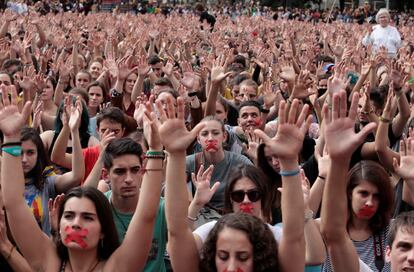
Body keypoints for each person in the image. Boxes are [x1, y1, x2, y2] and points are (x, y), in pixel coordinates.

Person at [0, 86, 164, 271]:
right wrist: (11, 139)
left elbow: (146, 216)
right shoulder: (49, 262)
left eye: (88, 217)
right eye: (68, 216)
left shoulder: (117, 268)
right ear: (59, 226)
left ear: (103, 230)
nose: (76, 223)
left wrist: (156, 149)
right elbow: (14, 203)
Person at [164, 95, 311, 271]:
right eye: (223, 256)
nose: (232, 268)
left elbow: (294, 236)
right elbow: (177, 235)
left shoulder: (275, 235)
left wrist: (289, 162)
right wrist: (175, 155)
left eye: (243, 257)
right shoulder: (212, 229)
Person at [186, 116, 252, 210]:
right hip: (200, 217)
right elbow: (169, 191)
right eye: (204, 134)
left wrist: (257, 158)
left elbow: (259, 186)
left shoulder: (240, 161)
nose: (210, 138)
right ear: (198, 139)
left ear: (224, 136)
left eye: (215, 133)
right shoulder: (189, 162)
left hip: (232, 216)